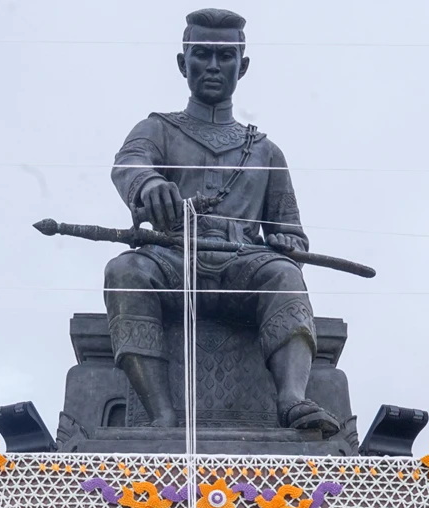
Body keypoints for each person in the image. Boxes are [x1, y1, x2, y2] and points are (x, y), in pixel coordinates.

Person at [103, 8, 338, 435]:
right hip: (174, 259)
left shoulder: (266, 151)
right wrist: (148, 185)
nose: (213, 65)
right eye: (202, 54)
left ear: (242, 66)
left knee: (285, 276)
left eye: (225, 56)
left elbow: (290, 230)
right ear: (182, 63)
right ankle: (161, 414)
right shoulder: (157, 128)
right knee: (124, 271)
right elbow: (129, 165)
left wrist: (289, 247)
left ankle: (292, 399)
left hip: (242, 267)